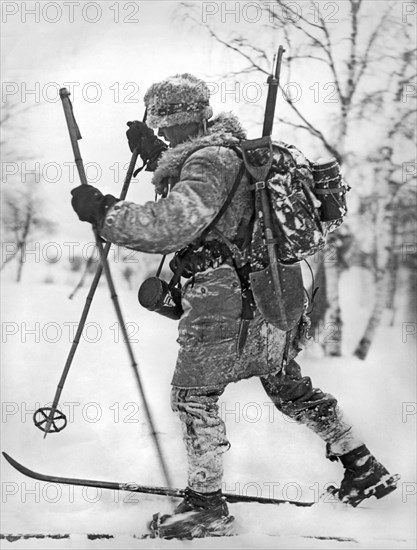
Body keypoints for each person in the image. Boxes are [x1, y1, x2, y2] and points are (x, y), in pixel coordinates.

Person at [71, 73, 398, 539]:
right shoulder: (234, 153)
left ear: (188, 118)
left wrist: (104, 211)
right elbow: (221, 208)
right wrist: (157, 157)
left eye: (165, 124)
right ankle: (363, 467)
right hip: (276, 292)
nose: (161, 130)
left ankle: (206, 507)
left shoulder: (208, 161)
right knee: (289, 388)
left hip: (228, 301)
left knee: (194, 397)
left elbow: (170, 226)